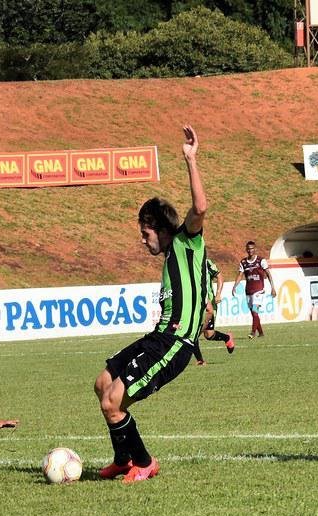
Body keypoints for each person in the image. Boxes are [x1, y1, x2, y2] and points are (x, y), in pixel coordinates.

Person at [94, 125, 207, 484]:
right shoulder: (170, 261)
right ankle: (124, 458)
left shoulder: (186, 243)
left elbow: (200, 207)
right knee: (102, 384)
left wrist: (191, 159)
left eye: (145, 233)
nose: (143, 242)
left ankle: (144, 462)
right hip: (157, 337)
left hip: (175, 345)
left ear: (158, 227)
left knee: (113, 402)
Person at [192, 256, 235, 365]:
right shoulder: (187, 264)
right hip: (195, 305)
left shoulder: (207, 263)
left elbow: (219, 276)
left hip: (209, 305)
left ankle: (200, 360)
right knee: (209, 335)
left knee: (193, 334)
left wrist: (218, 293)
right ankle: (226, 338)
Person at [232, 240, 277, 339]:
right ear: (246, 250)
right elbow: (240, 275)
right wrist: (235, 286)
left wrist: (273, 288)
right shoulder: (243, 262)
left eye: (252, 248)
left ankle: (252, 332)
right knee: (253, 313)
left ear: (255, 249)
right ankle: (261, 333)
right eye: (248, 249)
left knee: (255, 311)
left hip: (259, 290)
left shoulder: (261, 261)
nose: (250, 250)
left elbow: (268, 274)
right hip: (248, 291)